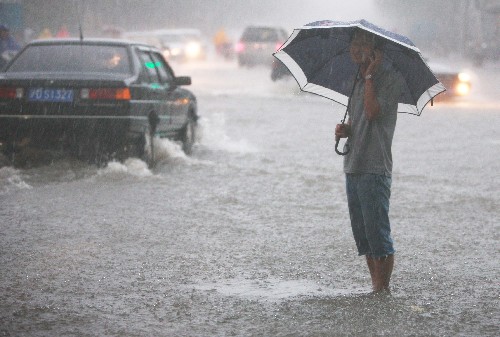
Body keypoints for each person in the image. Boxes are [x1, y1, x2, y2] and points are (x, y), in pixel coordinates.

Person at [335, 30, 404, 292]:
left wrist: (371, 75)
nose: (357, 49)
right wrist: (345, 130)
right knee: (364, 237)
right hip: (353, 165)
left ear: (376, 51)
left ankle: (381, 290)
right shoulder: (357, 80)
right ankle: (375, 287)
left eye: (364, 44)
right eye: (354, 43)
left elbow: (374, 112)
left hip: (375, 168)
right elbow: (359, 120)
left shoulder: (388, 78)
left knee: (379, 236)